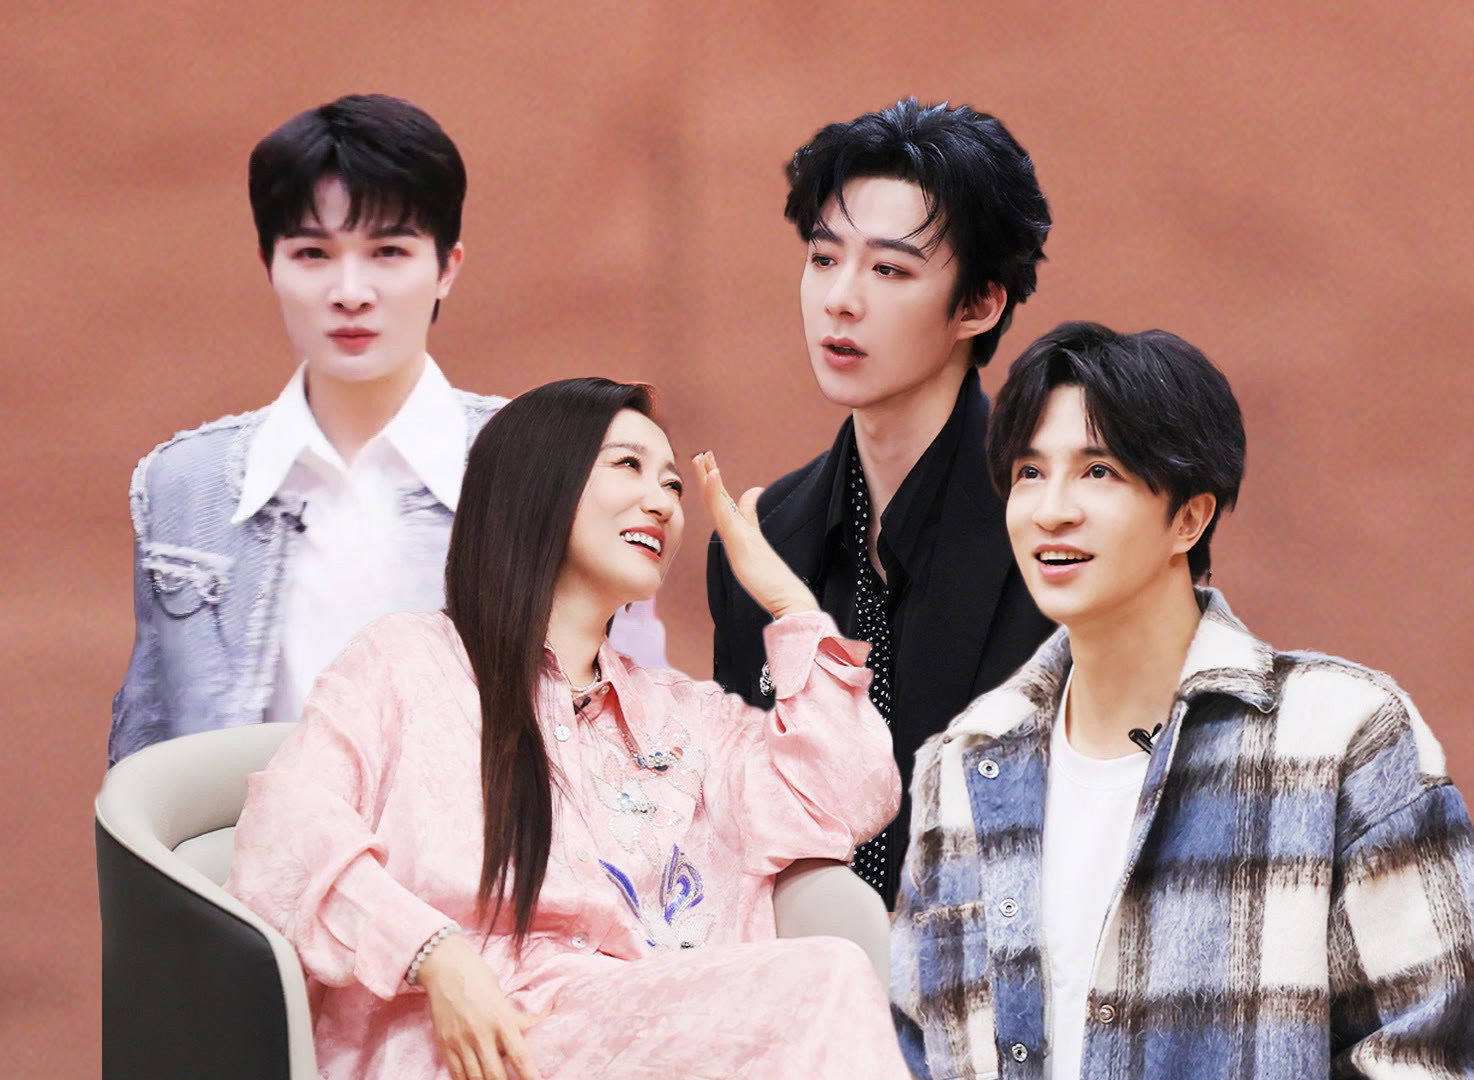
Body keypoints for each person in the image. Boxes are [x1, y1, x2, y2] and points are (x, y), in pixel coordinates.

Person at [227, 378, 910, 1079]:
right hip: (469, 1049)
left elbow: (849, 796)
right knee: (825, 978)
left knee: (829, 973)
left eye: (673, 485)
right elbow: (282, 835)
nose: (662, 502)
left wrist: (790, 604)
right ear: (538, 481)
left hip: (654, 1043)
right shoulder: (406, 663)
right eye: (628, 465)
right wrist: (434, 954)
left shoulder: (688, 718)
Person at [890, 322, 1474, 1078]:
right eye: (1030, 472)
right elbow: (911, 1050)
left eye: (1098, 471)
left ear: (1189, 517)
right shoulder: (962, 765)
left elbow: (1443, 1047)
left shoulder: (1340, 738)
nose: (1051, 509)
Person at [108, 94, 660, 765]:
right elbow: (146, 760)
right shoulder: (183, 487)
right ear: (269, 263)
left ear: (447, 267)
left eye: (388, 251)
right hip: (242, 837)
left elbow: (635, 739)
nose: (350, 291)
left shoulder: (556, 471)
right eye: (313, 253)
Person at [706, 99, 1055, 907]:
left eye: (889, 270)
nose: (840, 298)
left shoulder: (1052, 528)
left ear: (979, 304)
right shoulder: (761, 542)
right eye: (824, 257)